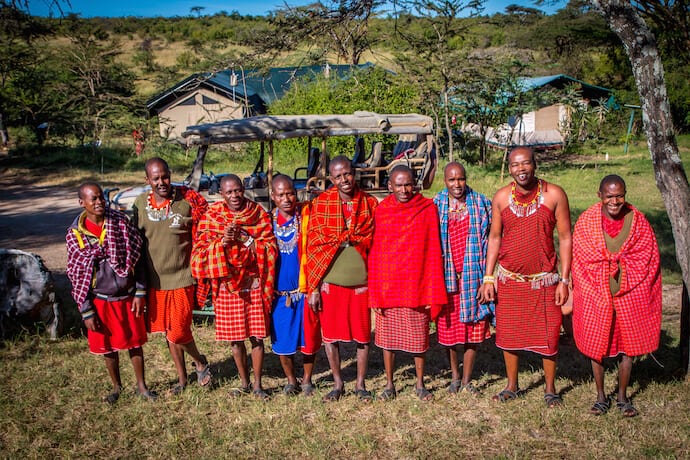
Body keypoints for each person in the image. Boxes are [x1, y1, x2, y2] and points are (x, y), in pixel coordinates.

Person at [479, 146, 572, 408]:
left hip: (545, 280)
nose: (521, 169)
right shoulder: (501, 198)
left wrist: (564, 280)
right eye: (515, 165)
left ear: (535, 164)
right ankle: (512, 385)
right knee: (508, 335)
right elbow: (495, 237)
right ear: (509, 168)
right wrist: (489, 277)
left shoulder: (554, 195)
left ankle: (551, 388)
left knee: (549, 334)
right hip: (510, 280)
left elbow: (565, 237)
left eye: (526, 163)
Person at [572, 175, 662, 417]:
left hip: (630, 293)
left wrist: (628, 278)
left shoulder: (638, 222)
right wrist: (594, 286)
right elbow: (579, 259)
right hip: (597, 293)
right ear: (599, 195)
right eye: (610, 196)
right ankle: (601, 396)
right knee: (597, 345)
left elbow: (649, 258)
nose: (615, 201)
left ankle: (622, 396)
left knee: (628, 347)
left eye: (619, 195)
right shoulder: (587, 222)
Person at [66, 182, 156, 403]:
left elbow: (139, 257)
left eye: (101, 198)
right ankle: (117, 387)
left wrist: (140, 291)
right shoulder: (75, 234)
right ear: (82, 203)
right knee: (108, 347)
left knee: (135, 343)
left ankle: (142, 386)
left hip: (127, 296)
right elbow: (77, 276)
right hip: (100, 299)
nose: (99, 203)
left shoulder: (120, 223)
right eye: (93, 199)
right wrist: (86, 311)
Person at [191, 174, 278, 400]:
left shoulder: (257, 213)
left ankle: (258, 385)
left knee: (257, 336)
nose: (234, 196)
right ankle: (244, 382)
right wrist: (223, 242)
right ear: (221, 193)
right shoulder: (212, 216)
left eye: (238, 190)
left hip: (253, 283)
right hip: (227, 285)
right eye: (229, 192)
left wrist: (246, 239)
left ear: (243, 189)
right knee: (236, 338)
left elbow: (270, 248)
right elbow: (199, 254)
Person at [132, 157, 212, 395]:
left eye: (165, 176)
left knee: (178, 331)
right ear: (147, 180)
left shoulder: (187, 202)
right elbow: (135, 244)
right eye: (155, 178)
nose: (162, 182)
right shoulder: (139, 205)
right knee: (168, 334)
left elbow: (204, 233)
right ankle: (182, 378)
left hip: (182, 278)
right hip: (155, 282)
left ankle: (200, 361)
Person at [368, 165, 447, 401]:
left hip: (417, 284)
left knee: (419, 338)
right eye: (399, 185)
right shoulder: (382, 211)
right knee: (387, 340)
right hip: (389, 285)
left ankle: (420, 384)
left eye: (408, 184)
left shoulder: (426, 209)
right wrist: (376, 290)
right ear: (389, 186)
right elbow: (377, 252)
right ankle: (390, 384)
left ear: (415, 184)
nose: (404, 189)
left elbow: (433, 249)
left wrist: (431, 287)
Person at [304, 155, 378, 402]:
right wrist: (313, 286)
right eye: (338, 176)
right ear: (331, 179)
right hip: (331, 283)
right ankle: (337, 383)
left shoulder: (370, 204)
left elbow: (378, 244)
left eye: (347, 173)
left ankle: (360, 384)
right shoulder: (321, 204)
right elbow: (313, 248)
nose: (344, 179)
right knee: (331, 336)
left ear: (353, 172)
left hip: (361, 284)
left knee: (363, 336)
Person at [433, 162, 494, 395]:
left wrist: (487, 278)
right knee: (450, 331)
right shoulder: (436, 206)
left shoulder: (481, 203)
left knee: (473, 330)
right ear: (445, 181)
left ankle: (467, 379)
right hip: (446, 278)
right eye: (452, 180)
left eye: (461, 179)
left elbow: (490, 241)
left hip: (473, 276)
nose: (457, 184)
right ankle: (454, 376)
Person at [269, 175, 321, 396]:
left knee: (308, 338)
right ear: (273, 197)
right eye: (280, 194)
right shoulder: (267, 222)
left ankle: (307, 379)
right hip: (279, 294)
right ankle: (291, 380)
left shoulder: (308, 216)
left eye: (290, 193)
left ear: (296, 192)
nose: (287, 198)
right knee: (283, 341)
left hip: (305, 291)